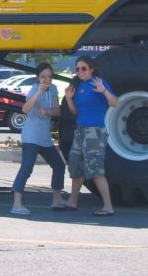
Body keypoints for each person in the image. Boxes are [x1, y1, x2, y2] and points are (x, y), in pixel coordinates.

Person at [61, 56, 118, 216]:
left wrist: (104, 91)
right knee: (75, 166)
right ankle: (72, 202)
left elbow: (115, 103)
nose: (80, 71)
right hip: (80, 130)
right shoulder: (80, 87)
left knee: (95, 169)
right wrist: (69, 99)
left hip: (95, 131)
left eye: (83, 68)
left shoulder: (98, 83)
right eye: (77, 69)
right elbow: (75, 112)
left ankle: (108, 206)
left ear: (91, 69)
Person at [10, 63, 67, 215]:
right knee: (27, 168)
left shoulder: (54, 89)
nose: (47, 79)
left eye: (49, 76)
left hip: (44, 137)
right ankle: (17, 204)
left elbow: (57, 111)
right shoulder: (34, 89)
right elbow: (25, 109)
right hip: (31, 136)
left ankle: (57, 199)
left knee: (59, 165)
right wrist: (38, 92)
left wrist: (47, 111)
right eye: (43, 76)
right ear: (38, 78)